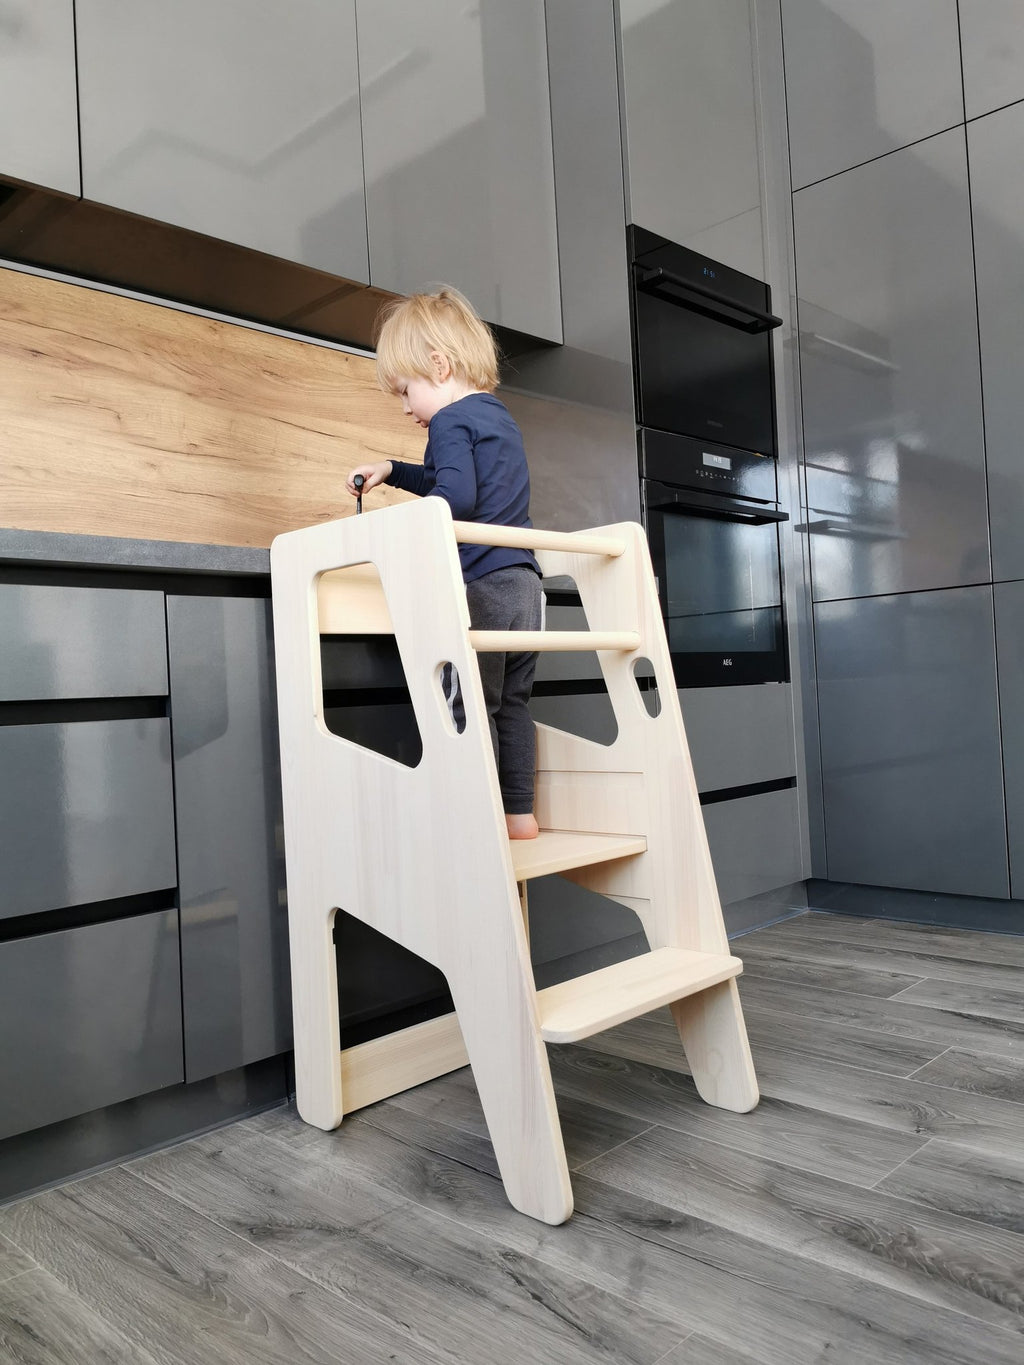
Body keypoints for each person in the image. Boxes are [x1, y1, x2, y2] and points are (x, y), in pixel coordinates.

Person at [346, 286, 543, 841]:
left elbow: (454, 500)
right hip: (525, 585)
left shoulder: (449, 422)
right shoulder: (497, 417)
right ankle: (519, 815)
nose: (406, 408)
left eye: (406, 392)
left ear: (438, 365)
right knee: (513, 705)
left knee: (467, 705)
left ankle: (468, 816)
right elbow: (453, 483)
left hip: (482, 585)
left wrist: (398, 532)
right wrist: (392, 468)